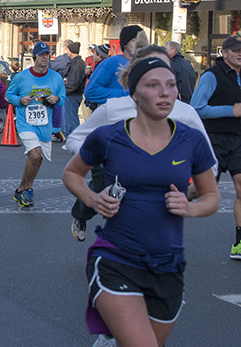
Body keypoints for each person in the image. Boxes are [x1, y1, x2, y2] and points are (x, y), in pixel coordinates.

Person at [62, 54, 219, 347]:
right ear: (133, 93)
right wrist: (94, 199)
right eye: (153, 85)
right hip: (115, 259)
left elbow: (211, 196)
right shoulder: (107, 137)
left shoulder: (191, 140)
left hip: (168, 266)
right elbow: (71, 173)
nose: (165, 92)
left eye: (171, 85)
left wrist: (190, 207)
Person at [66, 44, 216, 243]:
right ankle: (81, 216)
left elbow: (210, 170)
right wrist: (103, 156)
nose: (161, 82)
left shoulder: (185, 113)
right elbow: (74, 142)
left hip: (165, 233)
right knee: (101, 191)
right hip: (114, 174)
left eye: (167, 75)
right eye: (152, 75)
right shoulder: (115, 108)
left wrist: (190, 196)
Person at [191, 34, 241, 260]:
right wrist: (230, 110)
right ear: (225, 52)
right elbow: (196, 108)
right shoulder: (212, 75)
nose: (240, 54)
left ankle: (239, 243)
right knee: (201, 189)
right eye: (235, 50)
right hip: (215, 139)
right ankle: (169, 206)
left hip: (239, 139)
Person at [5, 41, 65, 207]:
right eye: (42, 55)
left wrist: (56, 99)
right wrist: (20, 100)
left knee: (38, 160)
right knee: (35, 154)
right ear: (34, 58)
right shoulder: (21, 77)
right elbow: (8, 95)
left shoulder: (56, 78)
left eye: (47, 55)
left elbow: (62, 98)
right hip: (26, 123)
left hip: (45, 125)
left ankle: (20, 188)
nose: (45, 58)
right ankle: (28, 189)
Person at [84, 25, 144, 108]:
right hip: (116, 117)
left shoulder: (147, 64)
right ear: (125, 44)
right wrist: (126, 95)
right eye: (134, 40)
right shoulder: (110, 63)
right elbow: (91, 91)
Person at [62, 42, 86, 139]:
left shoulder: (76, 64)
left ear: (70, 50)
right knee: (70, 117)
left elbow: (73, 83)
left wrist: (65, 91)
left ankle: (74, 138)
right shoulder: (77, 62)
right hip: (72, 93)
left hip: (72, 94)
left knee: (71, 118)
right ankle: (71, 137)